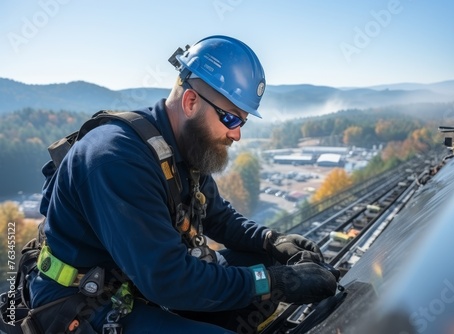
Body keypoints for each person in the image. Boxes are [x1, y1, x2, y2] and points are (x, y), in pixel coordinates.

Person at [27, 35, 339, 333]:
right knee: (264, 278)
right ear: (190, 102)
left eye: (242, 122)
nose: (237, 134)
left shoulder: (180, 148)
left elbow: (218, 217)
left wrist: (272, 241)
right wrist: (274, 282)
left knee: (264, 259)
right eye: (230, 119)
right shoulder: (117, 159)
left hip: (134, 285)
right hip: (84, 304)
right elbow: (169, 280)